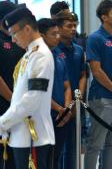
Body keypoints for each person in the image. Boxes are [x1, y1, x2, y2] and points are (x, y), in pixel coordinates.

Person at [0, 7, 55, 169]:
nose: (13, 40)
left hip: (34, 136)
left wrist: (3, 122)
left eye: (14, 33)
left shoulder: (41, 56)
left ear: (27, 29)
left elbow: (33, 98)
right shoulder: (28, 55)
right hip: (21, 135)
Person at [84, 0, 112, 169]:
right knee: (95, 144)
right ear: (104, 17)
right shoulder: (95, 38)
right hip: (102, 98)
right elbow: (96, 70)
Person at [37, 18, 72, 169]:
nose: (58, 37)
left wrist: (66, 109)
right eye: (54, 34)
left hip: (61, 116)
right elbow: (38, 91)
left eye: (58, 33)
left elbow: (67, 86)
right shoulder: (36, 57)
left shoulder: (59, 56)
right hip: (44, 116)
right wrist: (60, 110)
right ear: (42, 36)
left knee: (56, 158)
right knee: (43, 159)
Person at [55, 10, 87, 169]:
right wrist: (65, 106)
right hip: (58, 106)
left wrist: (78, 99)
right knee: (57, 148)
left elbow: (83, 75)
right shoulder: (53, 50)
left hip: (75, 105)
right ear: (59, 29)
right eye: (69, 26)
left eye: (75, 25)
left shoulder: (79, 50)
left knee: (73, 148)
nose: (73, 29)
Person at [0, 0, 26, 169]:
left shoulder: (17, 39)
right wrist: (13, 99)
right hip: (4, 104)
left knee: (15, 157)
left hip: (18, 105)